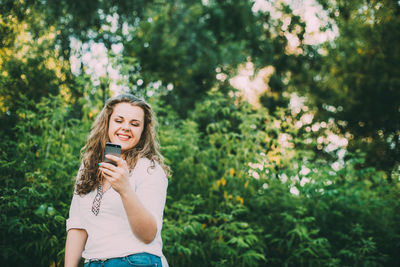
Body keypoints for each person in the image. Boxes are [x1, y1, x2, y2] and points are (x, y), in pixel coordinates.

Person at [65, 94, 169, 267]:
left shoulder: (149, 169)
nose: (126, 128)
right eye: (119, 120)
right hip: (93, 262)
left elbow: (148, 234)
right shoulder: (88, 167)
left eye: (135, 124)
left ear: (143, 131)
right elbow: (77, 225)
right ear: (107, 123)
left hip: (135, 261)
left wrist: (125, 189)